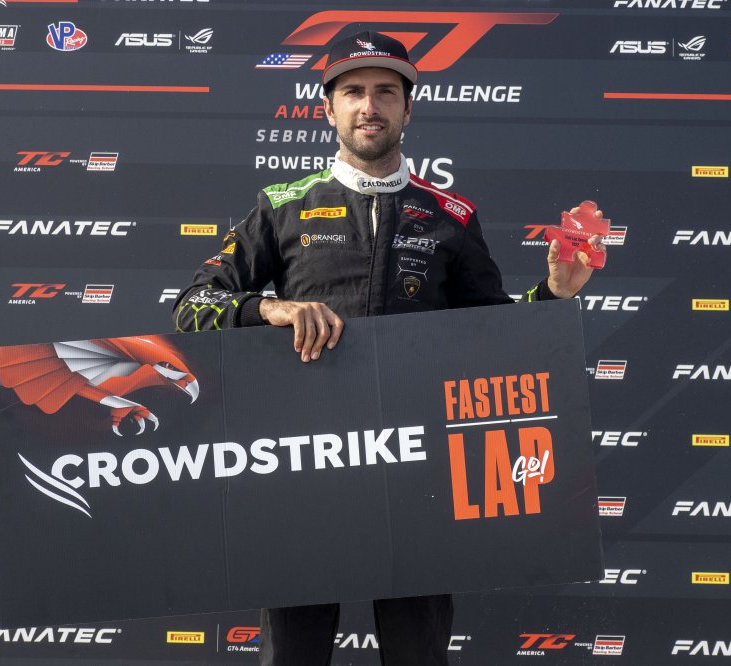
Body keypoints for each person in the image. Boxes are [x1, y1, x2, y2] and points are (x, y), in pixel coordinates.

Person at [174, 30, 605, 666]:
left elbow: (494, 338)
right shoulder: (282, 207)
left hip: (419, 472)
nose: (369, 106)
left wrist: (553, 294)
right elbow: (191, 308)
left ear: (409, 109)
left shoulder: (451, 216)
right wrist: (270, 308)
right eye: (353, 92)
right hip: (306, 468)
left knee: (418, 653)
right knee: (292, 655)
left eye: (385, 92)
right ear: (328, 109)